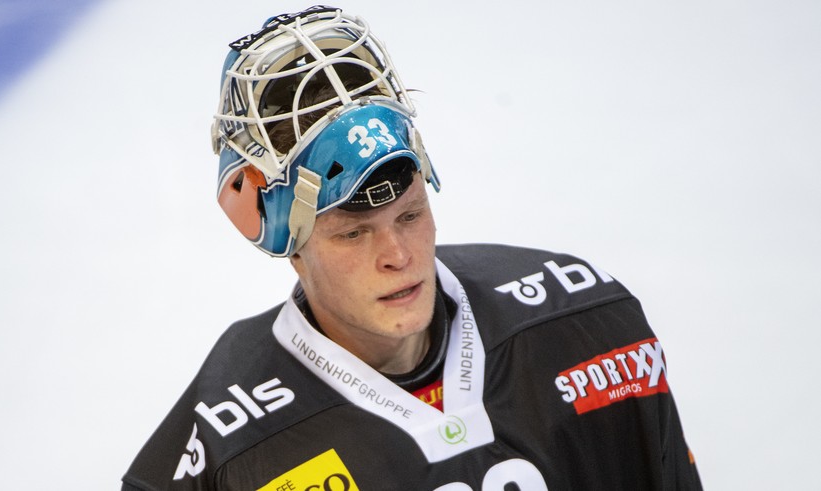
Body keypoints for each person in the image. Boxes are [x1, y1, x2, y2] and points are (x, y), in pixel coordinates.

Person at [122, 6, 702, 490]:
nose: (398, 255)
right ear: (286, 242)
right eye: (353, 232)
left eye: (411, 214)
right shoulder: (229, 452)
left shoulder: (585, 327)